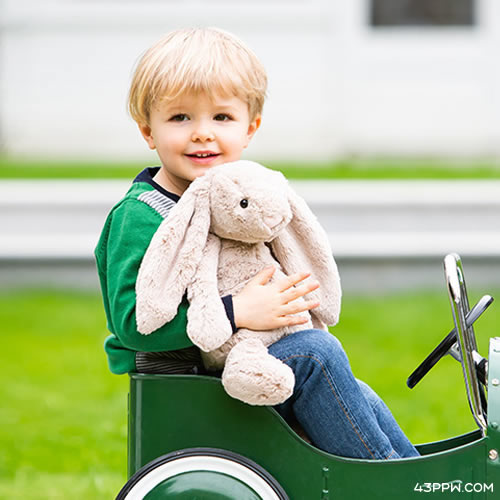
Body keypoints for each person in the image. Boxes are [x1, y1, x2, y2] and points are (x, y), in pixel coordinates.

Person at [95, 27, 419, 460]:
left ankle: (415, 477)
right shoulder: (142, 215)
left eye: (222, 118)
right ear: (148, 131)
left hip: (244, 364)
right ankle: (384, 482)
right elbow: (133, 324)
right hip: (188, 380)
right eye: (180, 118)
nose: (202, 134)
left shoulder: (240, 199)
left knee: (355, 392)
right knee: (317, 355)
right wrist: (238, 312)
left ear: (250, 128)